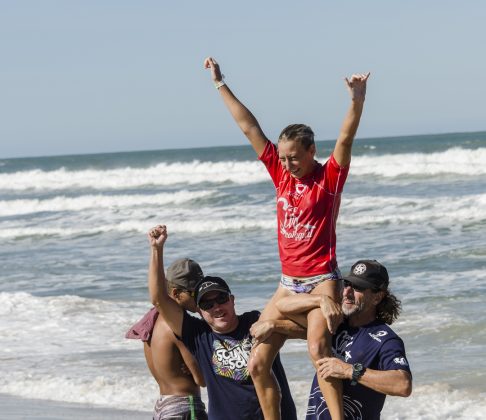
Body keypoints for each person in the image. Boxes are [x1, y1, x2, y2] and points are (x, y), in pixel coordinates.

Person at [204, 56, 370, 420]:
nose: (288, 163)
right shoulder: (280, 174)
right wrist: (220, 83)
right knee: (257, 362)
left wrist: (356, 99)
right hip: (287, 284)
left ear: (311, 151)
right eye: (284, 157)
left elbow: (346, 137)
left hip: (321, 280)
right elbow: (249, 127)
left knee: (317, 349)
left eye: (295, 157)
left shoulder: (328, 181)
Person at [147, 224, 302, 420]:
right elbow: (159, 298)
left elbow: (308, 330)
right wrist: (156, 249)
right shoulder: (199, 336)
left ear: (232, 300)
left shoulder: (255, 321)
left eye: (221, 299)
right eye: (207, 304)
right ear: (200, 310)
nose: (217, 307)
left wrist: (276, 325)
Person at [275, 259, 412, 419]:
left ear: (377, 297)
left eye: (358, 288)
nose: (347, 292)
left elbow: (403, 385)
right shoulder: (334, 321)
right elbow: (282, 305)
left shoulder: (386, 340)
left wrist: (348, 370)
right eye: (347, 284)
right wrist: (320, 300)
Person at [126, 258, 208, 419]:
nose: (201, 298)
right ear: (176, 293)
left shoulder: (151, 321)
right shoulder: (179, 327)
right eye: (195, 293)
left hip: (164, 405)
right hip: (186, 406)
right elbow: (201, 379)